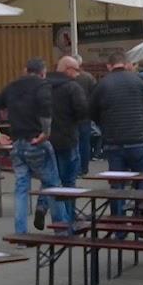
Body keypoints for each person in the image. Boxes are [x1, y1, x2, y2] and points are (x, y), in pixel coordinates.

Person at [0, 58, 64, 233]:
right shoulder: (42, 85)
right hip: (36, 141)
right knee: (53, 185)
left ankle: (20, 233)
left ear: (25, 70)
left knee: (21, 189)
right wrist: (46, 132)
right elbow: (45, 106)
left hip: (17, 144)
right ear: (43, 72)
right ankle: (61, 229)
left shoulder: (12, 86)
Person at [90, 50, 143, 215]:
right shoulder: (139, 80)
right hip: (139, 139)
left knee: (117, 185)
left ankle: (118, 221)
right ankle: (140, 215)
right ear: (126, 64)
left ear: (109, 66)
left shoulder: (102, 84)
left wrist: (104, 124)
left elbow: (91, 111)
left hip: (113, 141)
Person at [48, 56, 89, 194]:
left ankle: (45, 204)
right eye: (77, 70)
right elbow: (83, 110)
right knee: (69, 180)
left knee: (49, 180)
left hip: (46, 139)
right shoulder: (73, 87)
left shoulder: (43, 86)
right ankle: (68, 207)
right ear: (68, 69)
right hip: (67, 138)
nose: (78, 74)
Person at [72, 56, 97, 175]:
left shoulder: (68, 78)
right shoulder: (88, 77)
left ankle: (75, 168)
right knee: (84, 142)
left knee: (73, 143)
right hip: (85, 115)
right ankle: (84, 168)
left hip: (70, 116)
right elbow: (95, 94)